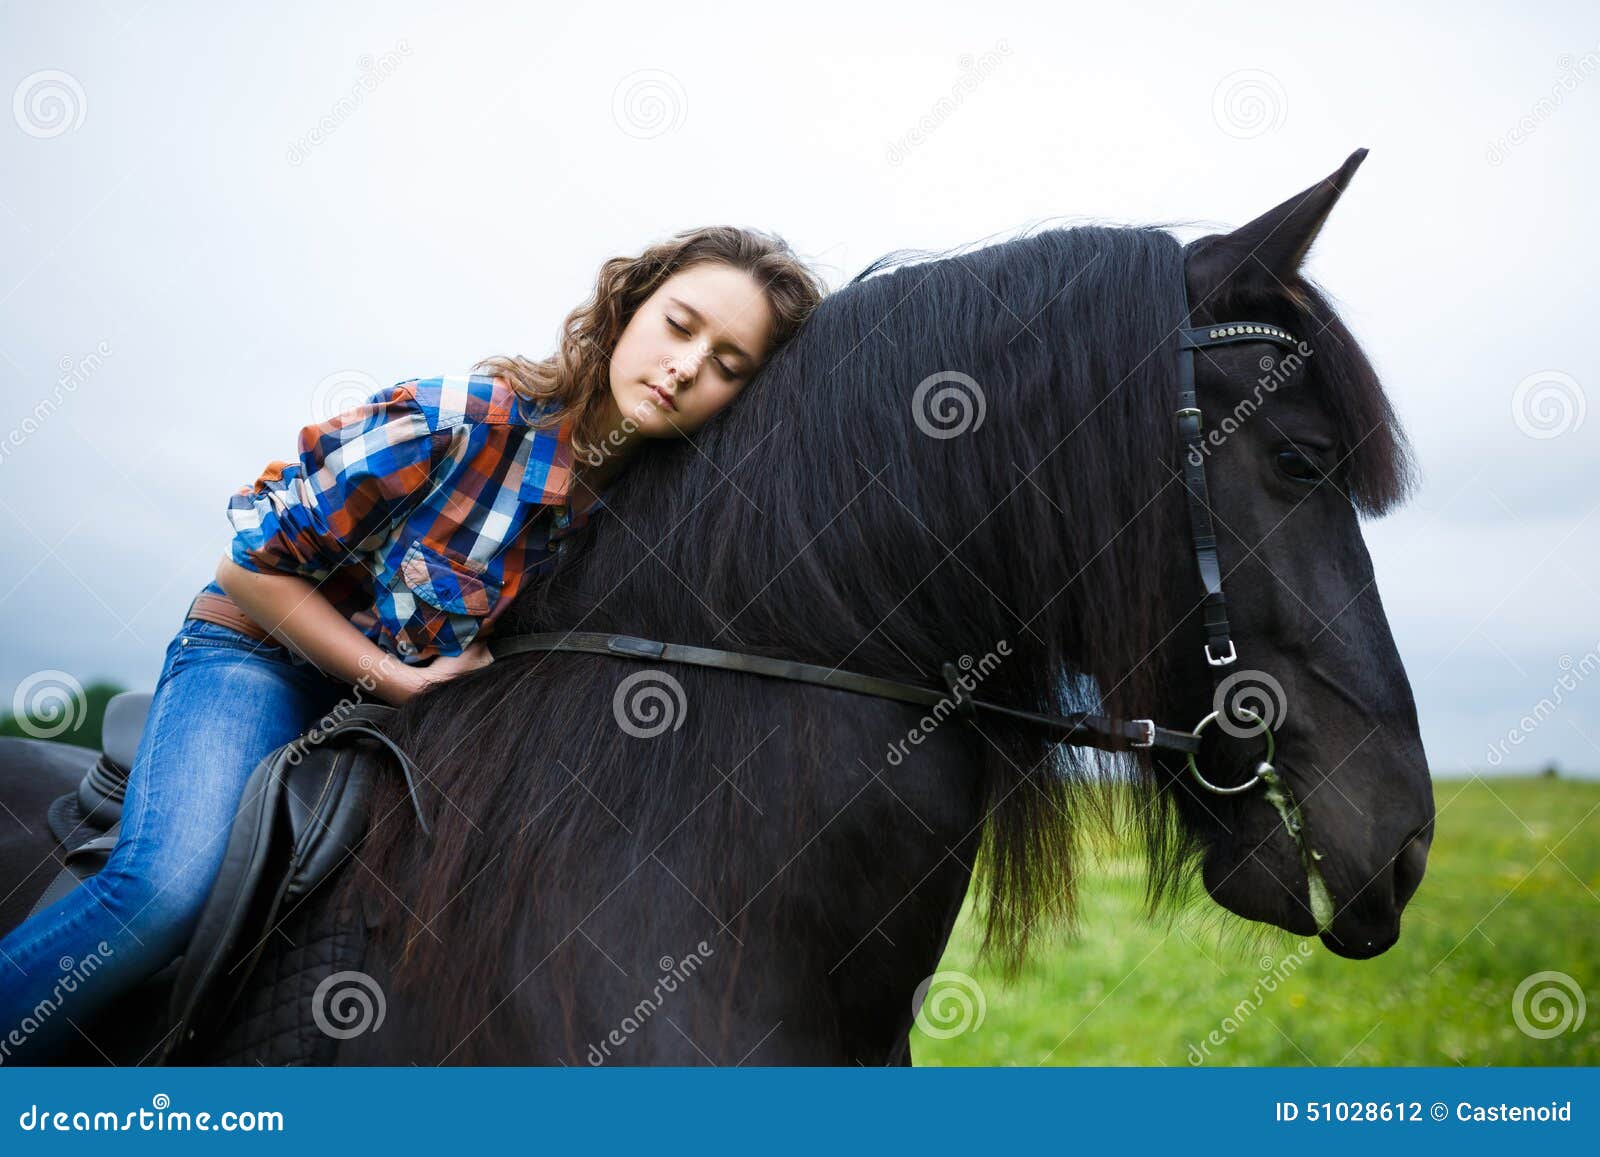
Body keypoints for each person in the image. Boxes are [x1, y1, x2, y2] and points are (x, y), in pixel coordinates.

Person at [0, 226, 825, 1063]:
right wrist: (397, 681)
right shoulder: (459, 420)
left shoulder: (651, 523)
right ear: (626, 308)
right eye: (680, 326)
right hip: (261, 659)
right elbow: (247, 568)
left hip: (422, 726)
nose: (688, 367)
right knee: (164, 893)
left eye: (729, 364)